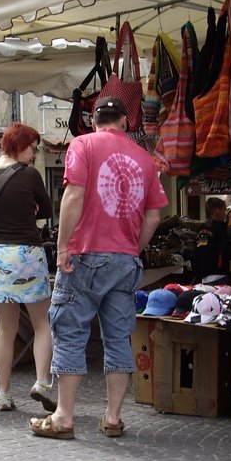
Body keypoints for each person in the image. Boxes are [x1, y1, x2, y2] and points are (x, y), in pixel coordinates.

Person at [29, 96, 167, 440]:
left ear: (94, 121)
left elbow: (73, 196)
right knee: (119, 337)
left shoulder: (83, 145)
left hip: (85, 254)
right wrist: (134, 248)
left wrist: (63, 246)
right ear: (125, 122)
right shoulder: (145, 160)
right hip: (124, 259)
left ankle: (63, 418)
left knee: (71, 333)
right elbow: (154, 215)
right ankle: (113, 417)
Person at [0, 122, 55, 412]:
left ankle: (3, 393)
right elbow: (47, 210)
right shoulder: (31, 175)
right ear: (19, 145)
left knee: (5, 327)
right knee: (41, 323)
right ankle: (41, 383)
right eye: (32, 148)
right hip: (26, 253)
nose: (34, 155)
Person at [192, 196, 231, 283]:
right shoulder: (219, 229)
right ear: (217, 211)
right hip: (219, 274)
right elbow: (225, 249)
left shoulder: (201, 230)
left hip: (203, 277)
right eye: (224, 210)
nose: (225, 213)